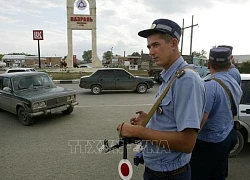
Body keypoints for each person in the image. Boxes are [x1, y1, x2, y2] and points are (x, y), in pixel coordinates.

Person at [116, 18, 206, 180]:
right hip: (156, 170)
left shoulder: (186, 80)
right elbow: (172, 122)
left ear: (173, 44)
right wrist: (151, 120)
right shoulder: (170, 76)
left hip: (170, 175)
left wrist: (139, 131)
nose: (151, 52)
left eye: (156, 45)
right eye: (149, 46)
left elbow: (187, 143)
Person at [190, 47, 243, 180]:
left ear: (208, 64)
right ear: (230, 64)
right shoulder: (234, 82)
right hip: (228, 135)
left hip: (209, 143)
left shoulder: (209, 85)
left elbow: (200, 122)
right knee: (219, 173)